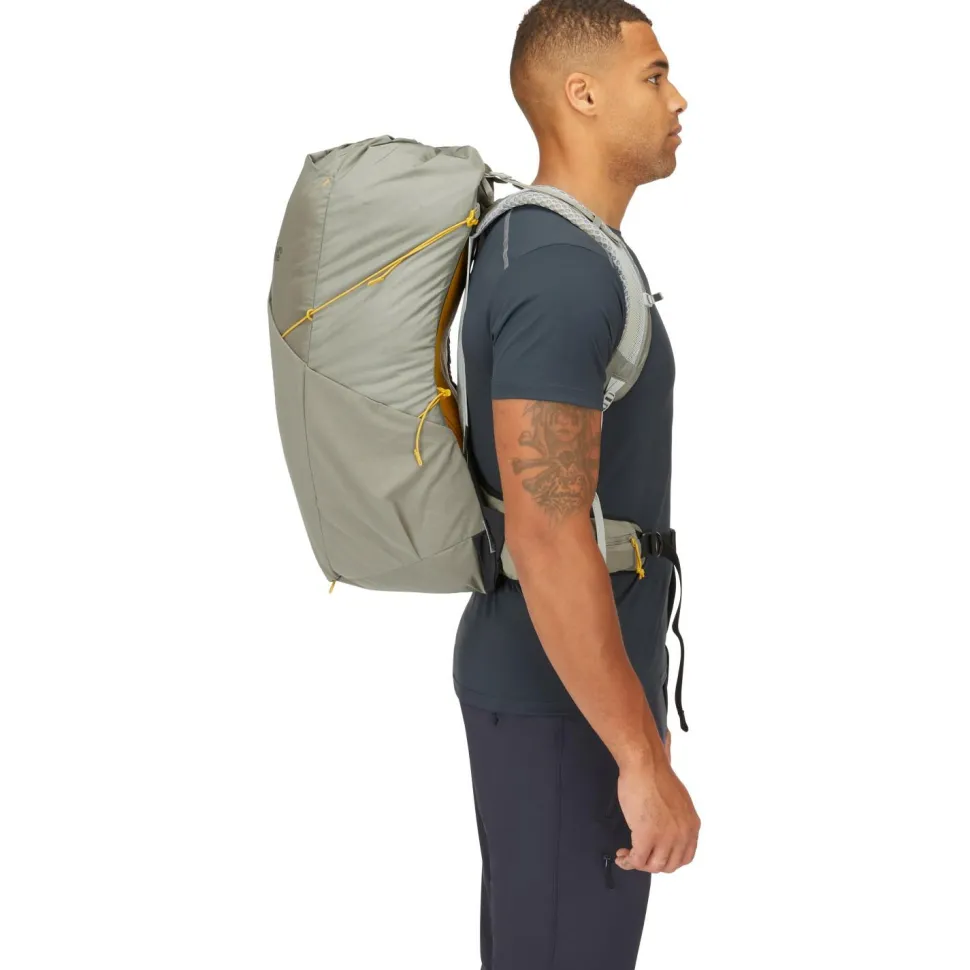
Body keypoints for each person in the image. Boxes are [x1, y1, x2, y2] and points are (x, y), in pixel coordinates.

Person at [452, 2, 700, 967]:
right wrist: (637, 758)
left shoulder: (555, 249)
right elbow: (549, 533)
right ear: (583, 94)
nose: (678, 100)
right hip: (562, 705)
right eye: (655, 76)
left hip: (569, 693)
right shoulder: (561, 272)